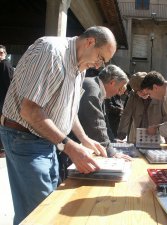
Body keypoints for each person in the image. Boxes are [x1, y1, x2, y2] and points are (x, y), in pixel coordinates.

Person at [0, 26, 117, 225]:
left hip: (47, 140)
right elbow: (29, 111)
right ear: (89, 42)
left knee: (40, 208)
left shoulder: (80, 67)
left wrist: (84, 139)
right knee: (41, 211)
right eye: (101, 58)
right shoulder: (50, 51)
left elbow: (67, 111)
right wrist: (69, 146)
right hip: (25, 136)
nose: (99, 66)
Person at [76, 64, 131, 160]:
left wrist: (112, 141)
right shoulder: (92, 89)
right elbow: (96, 124)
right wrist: (111, 152)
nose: (118, 93)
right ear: (112, 83)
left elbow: (104, 122)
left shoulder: (96, 88)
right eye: (119, 88)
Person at [117, 72, 167, 144]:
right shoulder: (133, 95)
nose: (141, 93)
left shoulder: (159, 94)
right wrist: (121, 135)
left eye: (142, 90)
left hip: (156, 135)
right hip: (137, 134)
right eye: (137, 92)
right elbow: (126, 114)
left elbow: (166, 116)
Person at [0, 45, 14, 157]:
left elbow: (9, 85)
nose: (0, 55)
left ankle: (2, 150)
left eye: (1, 53)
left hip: (3, 103)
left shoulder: (5, 65)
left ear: (5, 54)